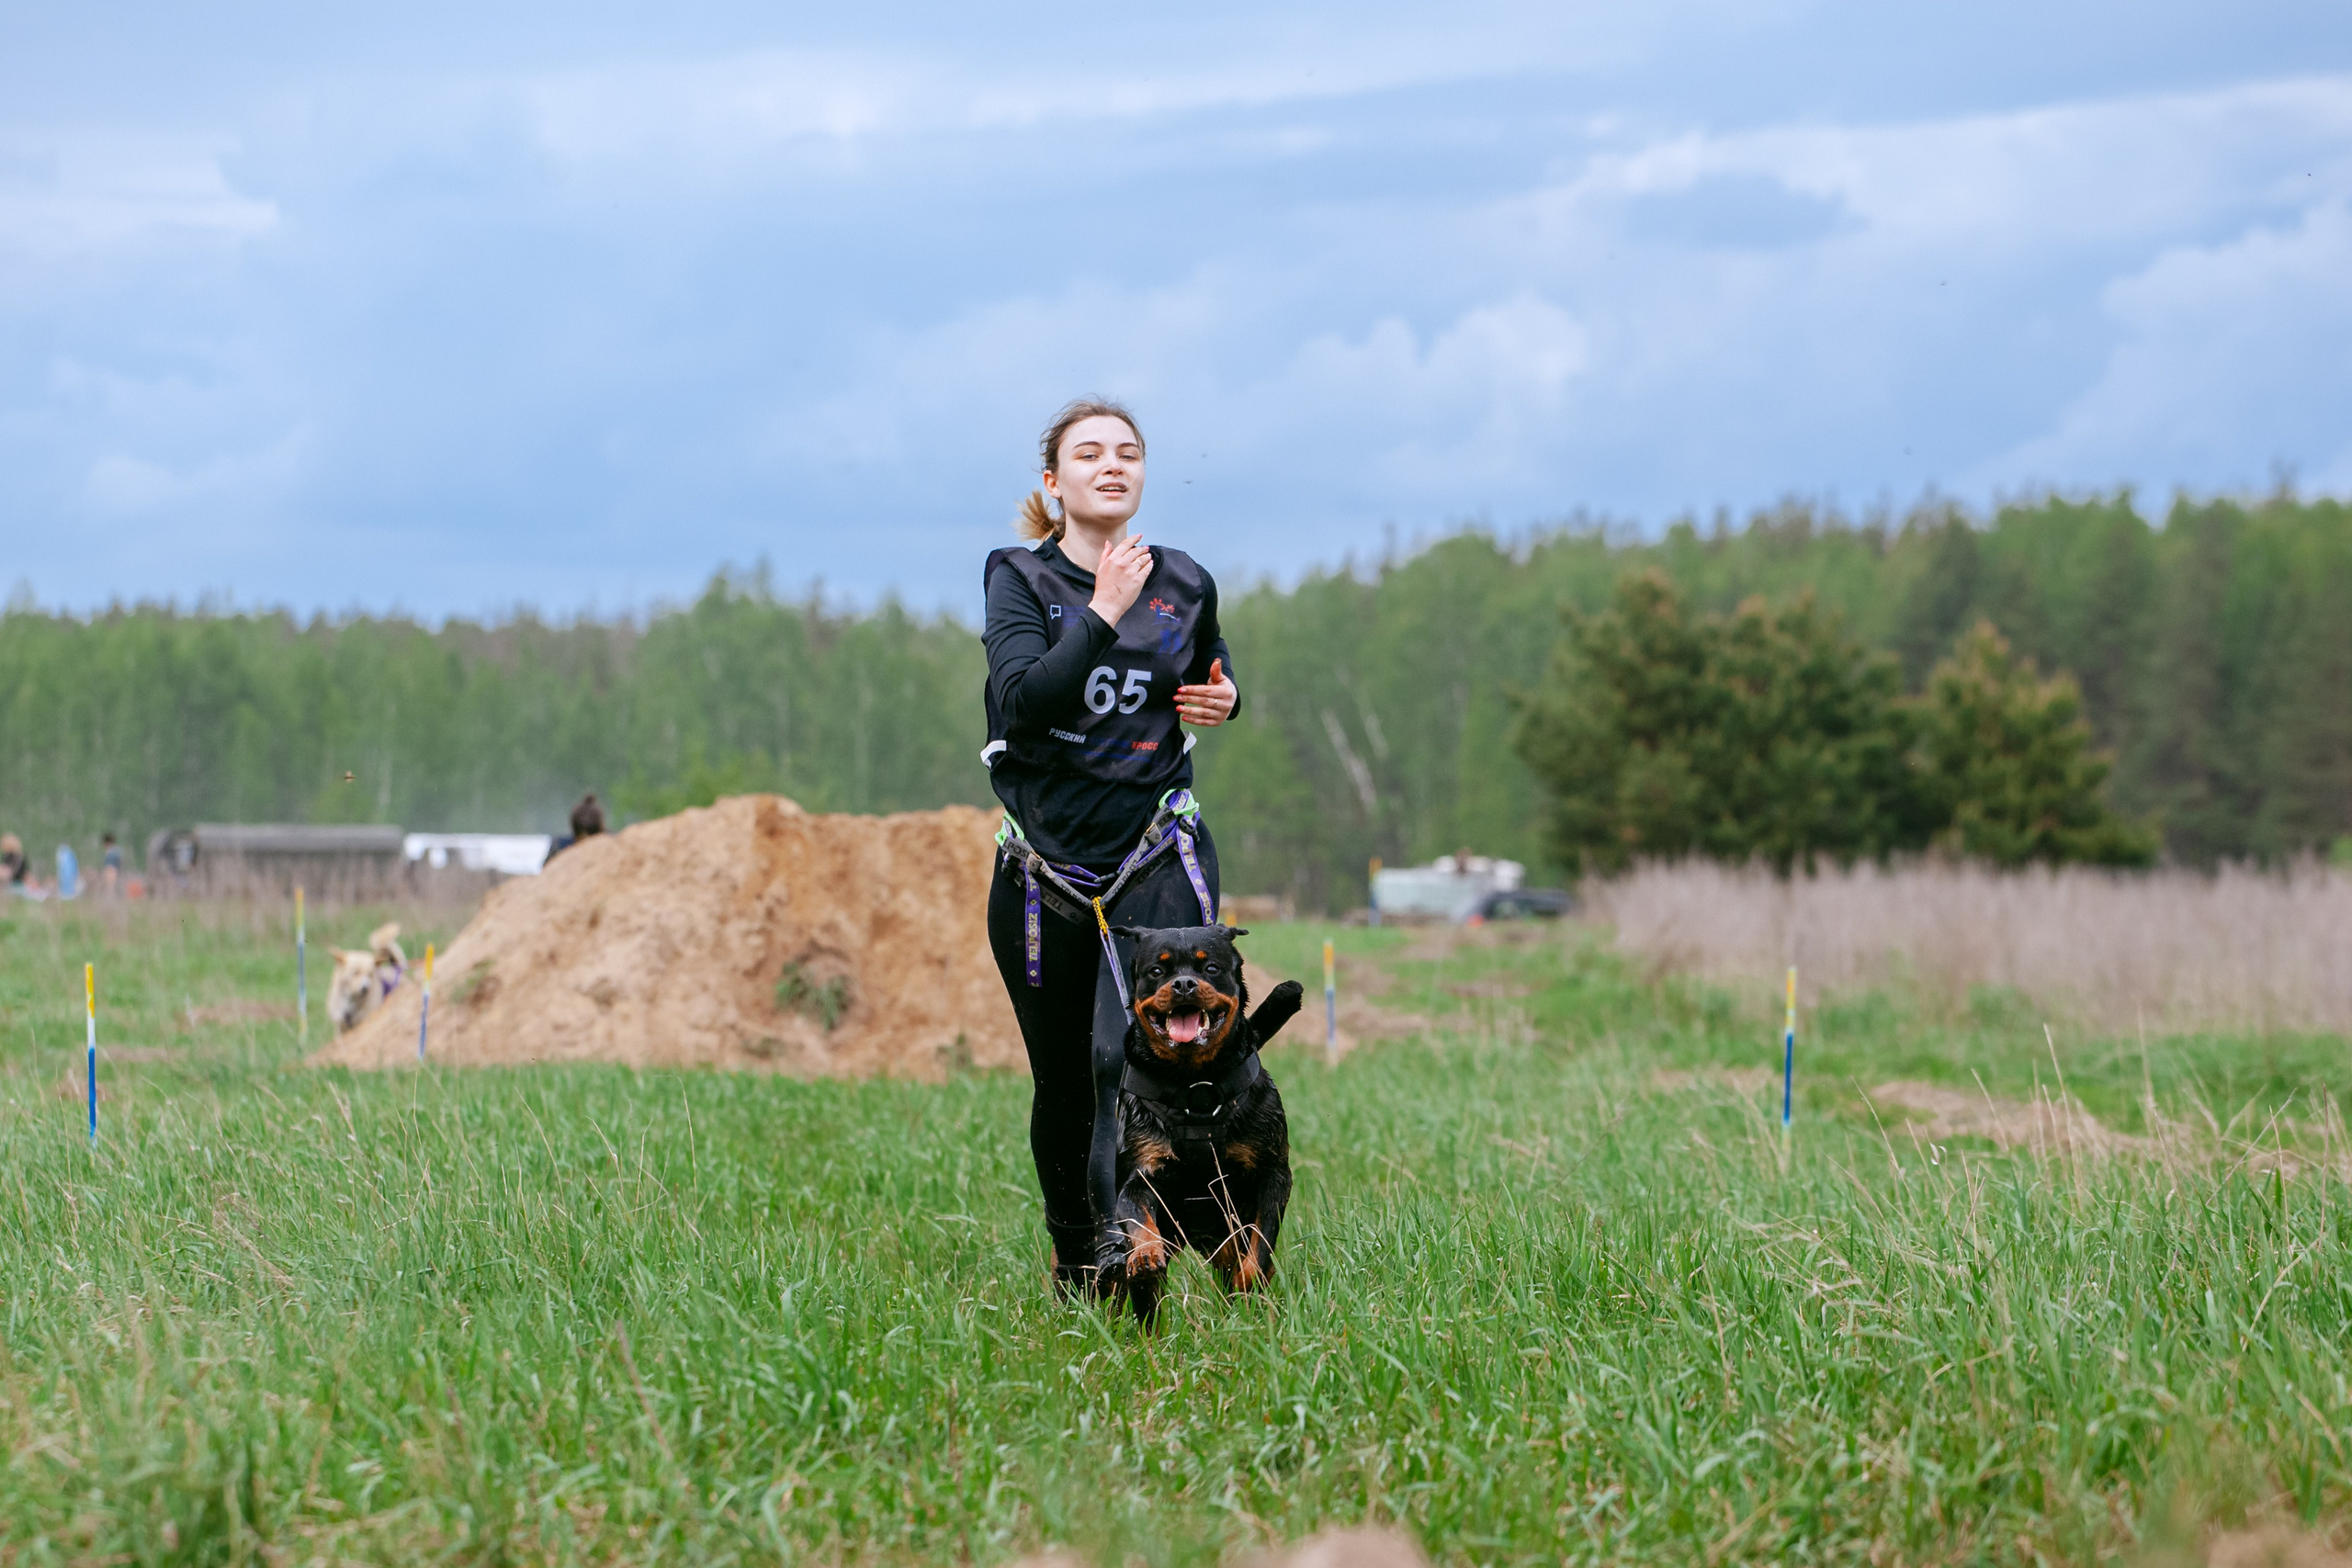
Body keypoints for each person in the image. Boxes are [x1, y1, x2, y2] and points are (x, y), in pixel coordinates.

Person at [981, 399, 1239, 1296]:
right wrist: (1102, 609)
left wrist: (1225, 698)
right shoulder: (1018, 577)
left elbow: (1212, 666)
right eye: (1087, 454)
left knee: (1123, 1062)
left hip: (1152, 853)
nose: (1111, 465)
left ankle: (1133, 1256)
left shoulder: (1185, 580)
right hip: (1042, 871)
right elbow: (1024, 703)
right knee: (1064, 1081)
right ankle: (1071, 1252)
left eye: (1127, 453)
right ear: (1053, 484)